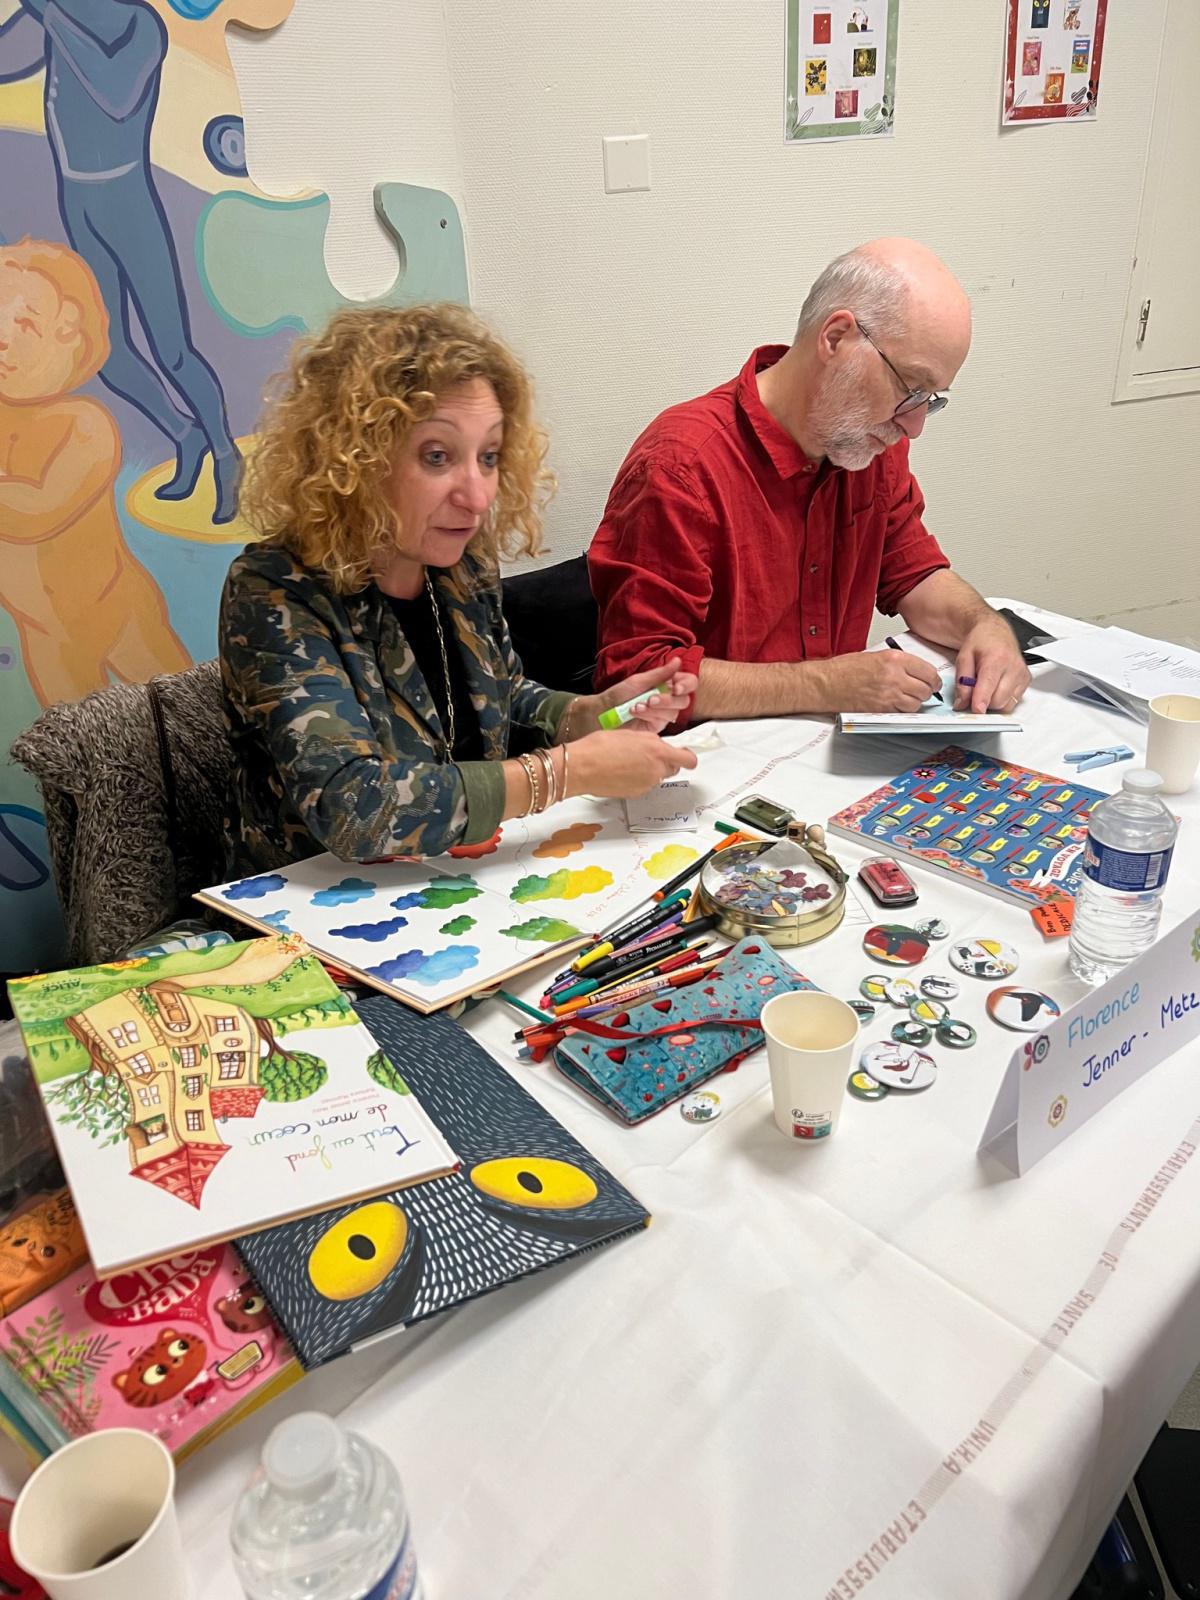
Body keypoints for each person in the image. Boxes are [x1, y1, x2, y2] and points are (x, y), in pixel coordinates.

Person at [220, 303, 697, 874]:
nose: (477, 496)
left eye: (489, 457)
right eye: (438, 456)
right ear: (356, 460)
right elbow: (356, 806)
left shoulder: (459, 565)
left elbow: (506, 696)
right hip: (313, 910)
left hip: (453, 878)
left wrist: (594, 715)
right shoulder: (274, 592)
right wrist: (567, 772)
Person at [589, 238, 1032, 724]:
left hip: (820, 754)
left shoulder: (869, 447)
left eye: (932, 398)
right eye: (911, 388)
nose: (915, 425)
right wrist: (826, 684)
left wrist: (985, 625)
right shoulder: (683, 466)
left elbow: (916, 573)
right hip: (706, 769)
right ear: (836, 337)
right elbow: (634, 684)